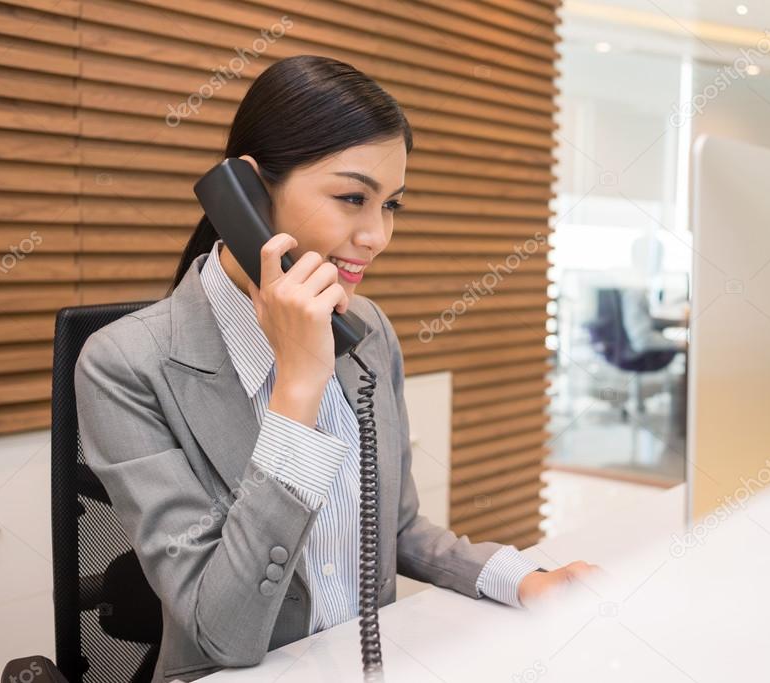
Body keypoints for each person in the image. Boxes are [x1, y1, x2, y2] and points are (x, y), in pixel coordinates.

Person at [74, 55, 599, 682]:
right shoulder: (124, 365)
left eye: (392, 204)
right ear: (244, 192)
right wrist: (297, 388)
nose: (377, 235)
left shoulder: (367, 328)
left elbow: (396, 529)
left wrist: (522, 580)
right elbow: (222, 632)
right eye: (352, 197)